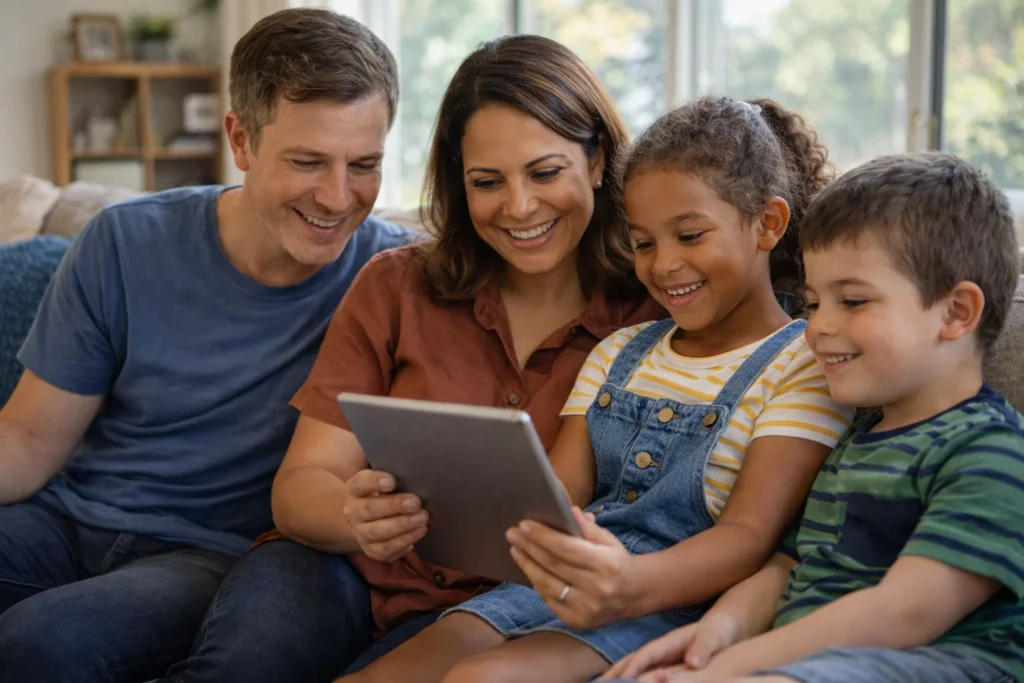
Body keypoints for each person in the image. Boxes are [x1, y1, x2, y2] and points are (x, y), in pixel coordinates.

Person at [155, 34, 666, 683]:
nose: (519, 206)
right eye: (486, 181)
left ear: (596, 161)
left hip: (500, 607)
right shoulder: (397, 285)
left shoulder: (653, 316)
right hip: (333, 568)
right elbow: (300, 485)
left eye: (545, 172)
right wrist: (353, 515)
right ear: (457, 181)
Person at [340, 96, 856, 683]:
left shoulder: (802, 362)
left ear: (768, 224)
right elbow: (561, 493)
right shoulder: (619, 351)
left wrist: (630, 583)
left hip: (673, 601)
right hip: (565, 583)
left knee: (479, 679)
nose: (664, 266)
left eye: (689, 236)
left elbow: (748, 537)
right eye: (644, 243)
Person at [0, 8, 410, 683]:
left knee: (37, 644)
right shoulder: (123, 241)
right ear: (240, 140)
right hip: (67, 519)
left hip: (213, 554)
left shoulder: (395, 280)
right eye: (308, 162)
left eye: (363, 165)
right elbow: (27, 440)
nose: (339, 197)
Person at [604, 152, 1024, 683]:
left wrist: (736, 667)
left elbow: (904, 613)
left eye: (852, 301)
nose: (817, 327)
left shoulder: (992, 452)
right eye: (813, 302)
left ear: (956, 313)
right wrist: (716, 634)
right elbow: (788, 567)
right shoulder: (858, 441)